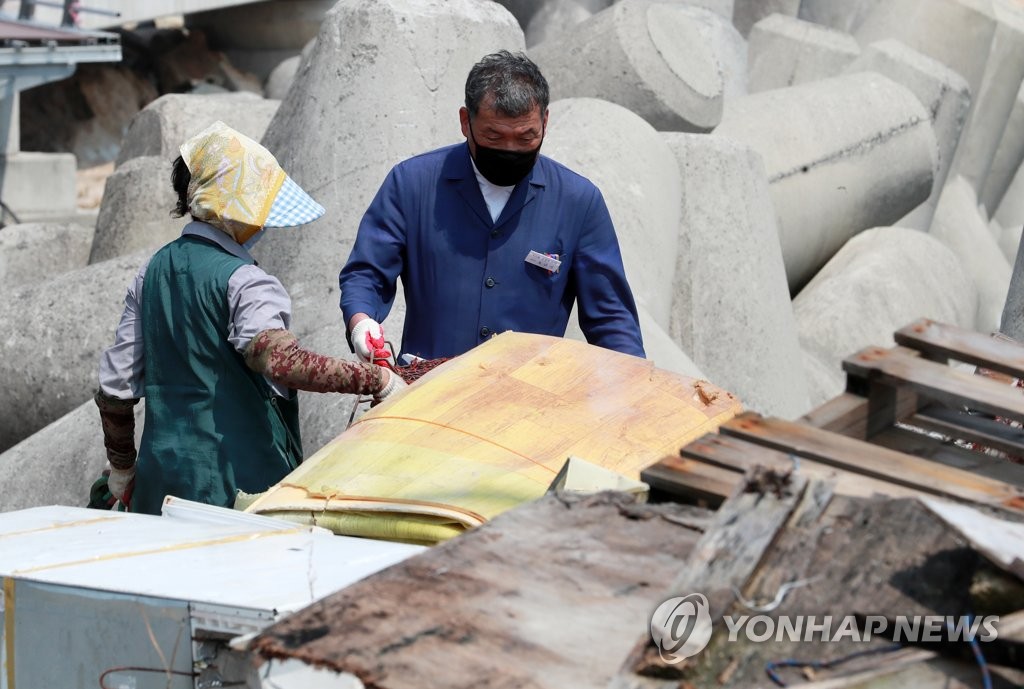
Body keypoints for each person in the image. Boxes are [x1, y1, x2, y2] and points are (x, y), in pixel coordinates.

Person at [95, 121, 405, 515]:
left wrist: (122, 467)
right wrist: (375, 378)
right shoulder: (247, 281)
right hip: (239, 487)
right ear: (235, 207)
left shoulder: (151, 273)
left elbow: (116, 391)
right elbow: (278, 361)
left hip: (160, 486)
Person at [339, 50, 645, 364]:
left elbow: (611, 318)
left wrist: (636, 387)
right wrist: (361, 322)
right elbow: (367, 273)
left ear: (545, 122)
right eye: (493, 136)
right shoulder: (411, 184)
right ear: (464, 121)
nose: (510, 149)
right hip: (426, 392)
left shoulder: (578, 201)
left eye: (526, 137)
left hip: (528, 399)